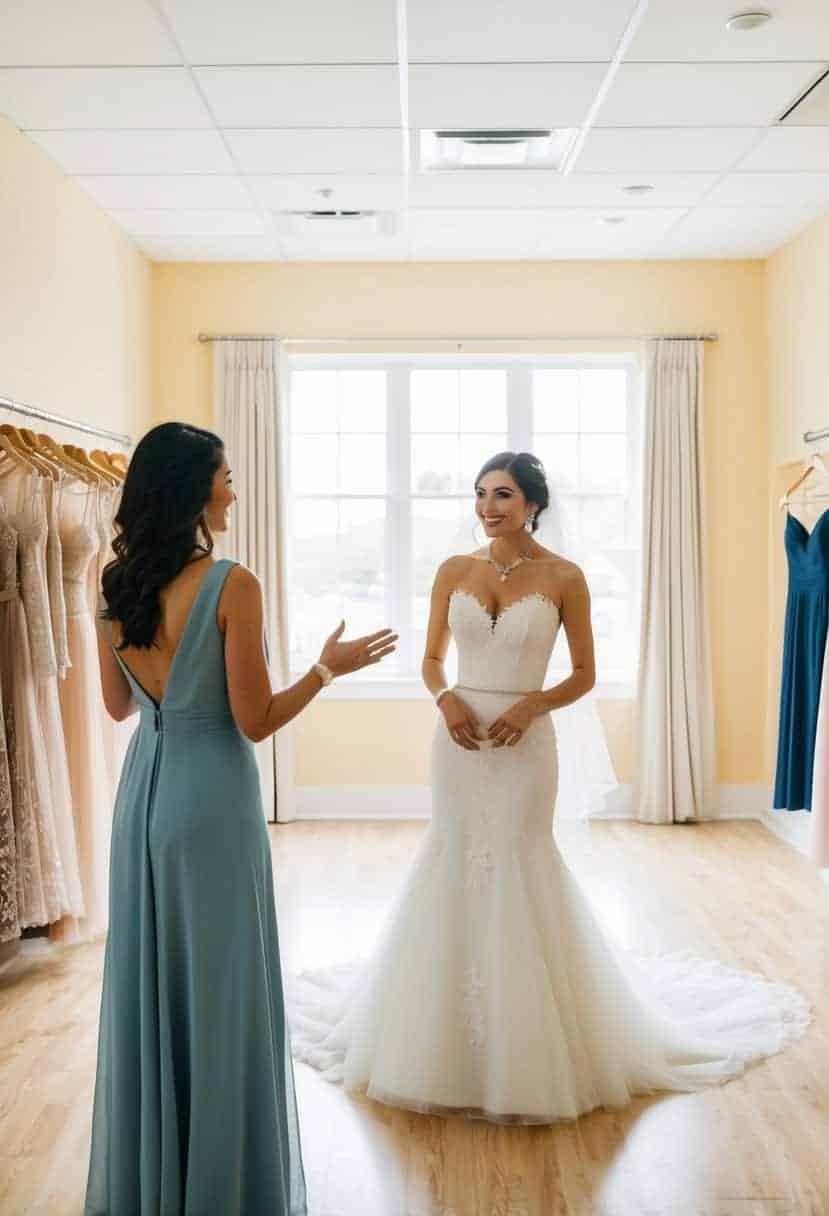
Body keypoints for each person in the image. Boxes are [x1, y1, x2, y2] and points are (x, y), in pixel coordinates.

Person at [285, 450, 812, 1124]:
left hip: (525, 740)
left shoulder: (564, 576)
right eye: (479, 494)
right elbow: (428, 657)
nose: (486, 507)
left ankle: (530, 1035)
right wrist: (445, 700)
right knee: (453, 854)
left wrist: (531, 707)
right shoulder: (453, 571)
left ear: (533, 503)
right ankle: (437, 1030)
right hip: (458, 737)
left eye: (501, 494)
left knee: (518, 856)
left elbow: (585, 672)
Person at [86, 421, 397, 1215]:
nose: (233, 490)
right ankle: (223, 1187)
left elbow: (118, 704)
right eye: (225, 476)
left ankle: (156, 1179)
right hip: (212, 800)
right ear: (192, 487)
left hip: (143, 796)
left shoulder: (113, 580)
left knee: (152, 986)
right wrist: (329, 667)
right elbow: (254, 720)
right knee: (222, 992)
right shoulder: (232, 583)